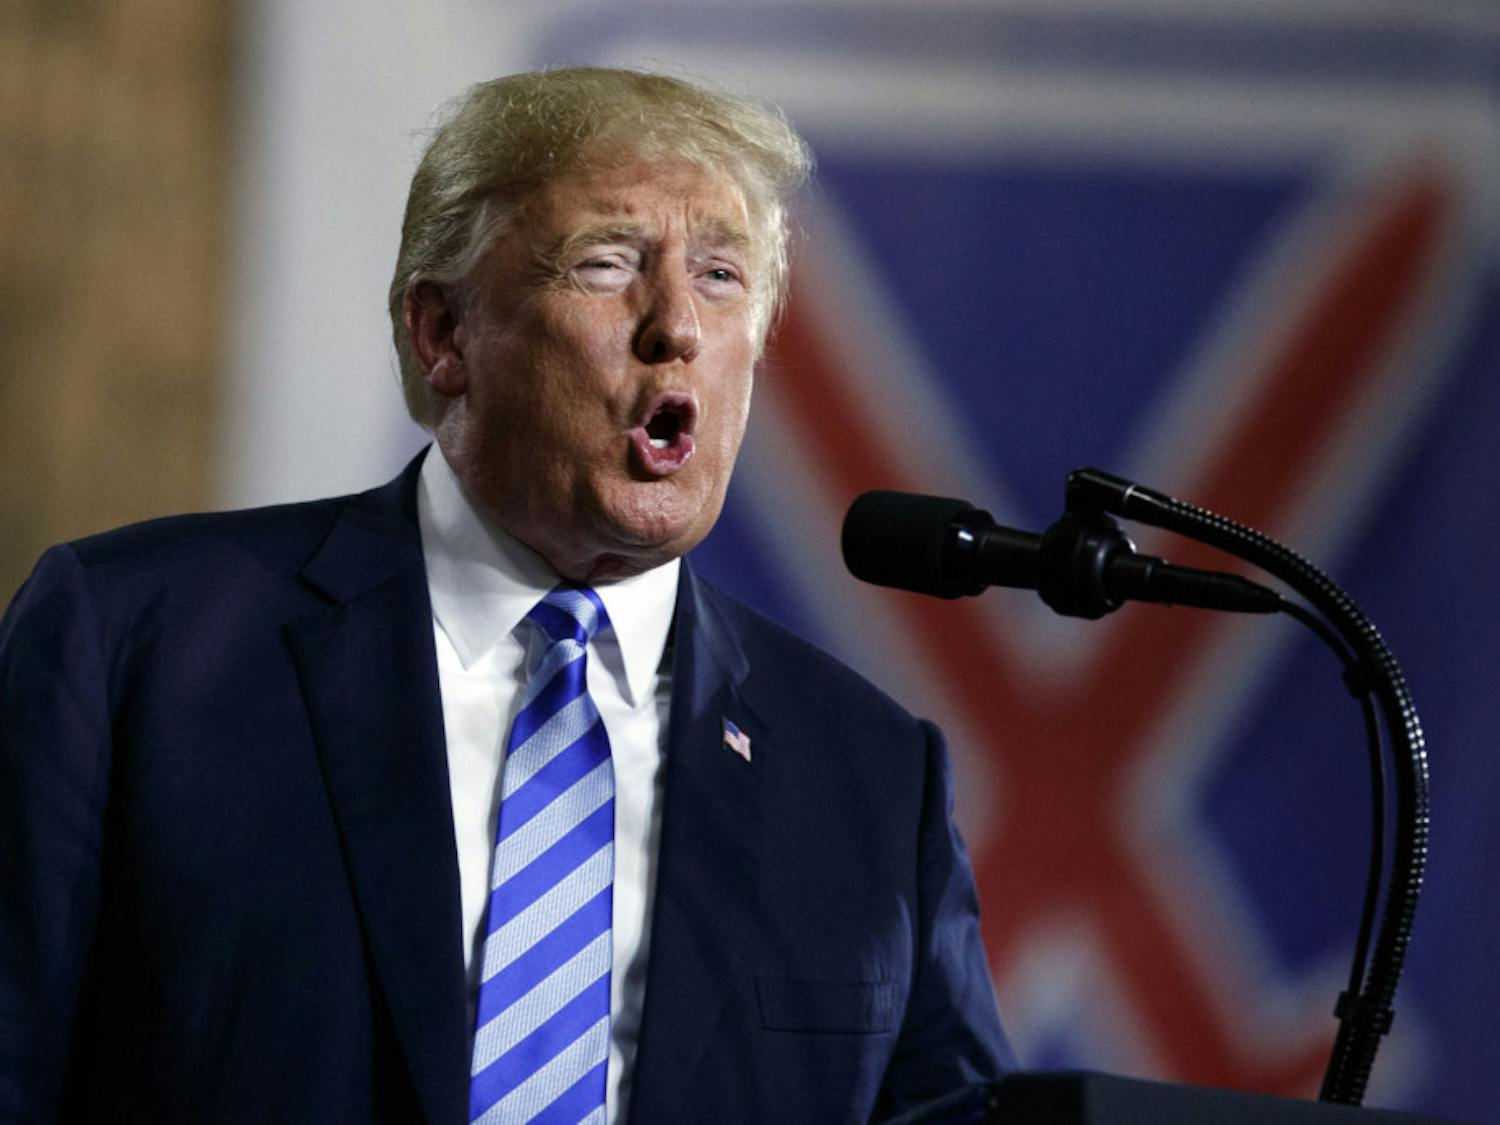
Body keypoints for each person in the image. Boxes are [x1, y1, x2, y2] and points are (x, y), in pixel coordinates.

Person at [0, 68, 1013, 1123]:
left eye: (721, 274)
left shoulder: (868, 777)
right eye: (608, 262)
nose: (678, 325)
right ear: (444, 334)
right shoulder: (135, 649)